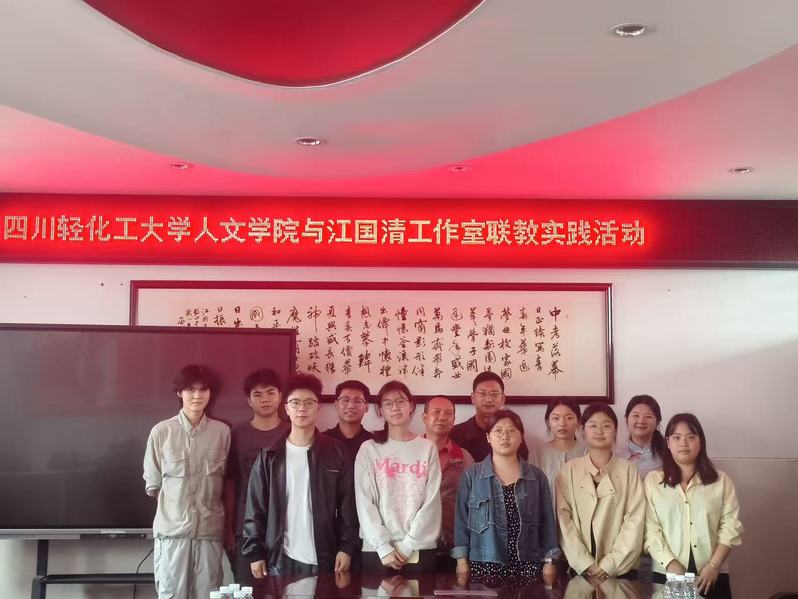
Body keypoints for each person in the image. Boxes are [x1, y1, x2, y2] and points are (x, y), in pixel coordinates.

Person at [241, 373, 359, 576]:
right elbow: (255, 508)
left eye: (308, 402)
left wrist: (347, 547)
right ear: (286, 408)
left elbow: (349, 505)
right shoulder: (269, 456)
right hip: (280, 557)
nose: (302, 408)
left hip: (325, 555)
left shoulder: (336, 452)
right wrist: (254, 552)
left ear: (318, 407)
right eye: (295, 403)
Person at [142, 364, 231, 599]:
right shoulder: (161, 432)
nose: (197, 395)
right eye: (190, 389)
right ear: (179, 392)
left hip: (209, 531)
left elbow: (228, 484)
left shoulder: (223, 433)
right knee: (172, 594)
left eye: (203, 389)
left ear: (211, 393)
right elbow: (154, 486)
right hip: (172, 534)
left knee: (209, 594)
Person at [452, 409, 559, 586]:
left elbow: (547, 521)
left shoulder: (536, 476)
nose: (505, 436)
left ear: (521, 436)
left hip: (528, 563)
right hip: (485, 563)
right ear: (488, 437)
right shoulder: (471, 475)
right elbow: (461, 522)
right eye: (498, 431)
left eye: (511, 431)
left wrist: (550, 561)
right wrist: (461, 562)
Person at [644, 413, 742, 599]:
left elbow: (731, 527)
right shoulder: (653, 481)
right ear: (668, 442)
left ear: (700, 441)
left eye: (690, 437)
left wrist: (713, 566)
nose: (683, 443)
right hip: (667, 573)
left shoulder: (721, 481)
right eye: (677, 437)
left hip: (711, 575)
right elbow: (649, 527)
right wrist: (670, 562)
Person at [354, 381, 442, 573]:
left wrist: (408, 545)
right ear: (380, 410)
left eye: (401, 401)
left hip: (419, 547)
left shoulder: (427, 448)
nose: (395, 407)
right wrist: (382, 546)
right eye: (388, 403)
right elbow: (364, 502)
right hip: (377, 550)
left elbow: (432, 502)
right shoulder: (369, 449)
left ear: (411, 406)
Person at [555, 403, 645, 582]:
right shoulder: (569, 470)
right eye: (593, 425)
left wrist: (610, 564)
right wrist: (584, 562)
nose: (599, 431)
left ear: (615, 431)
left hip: (621, 570)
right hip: (579, 569)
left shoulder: (628, 470)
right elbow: (564, 520)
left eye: (606, 426)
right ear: (582, 431)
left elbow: (635, 519)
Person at [223, 368, 290, 583]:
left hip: (286, 529)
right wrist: (229, 529)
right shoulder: (237, 434)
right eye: (258, 394)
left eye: (271, 393)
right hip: (245, 529)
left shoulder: (293, 432)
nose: (265, 399)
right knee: (247, 590)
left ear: (280, 396)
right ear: (249, 401)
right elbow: (230, 483)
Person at [421, 395, 474, 570]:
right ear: (424, 417)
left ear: (454, 420)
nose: (442, 417)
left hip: (453, 548)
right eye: (436, 412)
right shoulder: (409, 454)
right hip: (413, 546)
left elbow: (473, 504)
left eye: (448, 413)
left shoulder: (464, 457)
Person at [450, 371, 530, 462]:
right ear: (473, 398)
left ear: (503, 398)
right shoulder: (456, 434)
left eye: (494, 394)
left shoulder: (513, 433)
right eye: (482, 393)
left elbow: (521, 464)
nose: (488, 399)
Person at [533, 397, 585, 505]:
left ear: (578, 422)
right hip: (547, 514)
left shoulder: (587, 452)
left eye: (569, 418)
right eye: (556, 418)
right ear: (548, 422)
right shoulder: (537, 453)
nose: (562, 423)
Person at [323, 379, 373, 462]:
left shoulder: (373, 443)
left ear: (366, 407)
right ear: (336, 405)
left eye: (357, 401)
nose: (351, 406)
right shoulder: (322, 441)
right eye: (345, 400)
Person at [618, 395, 665, 477]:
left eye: (648, 416)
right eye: (636, 416)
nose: (641, 421)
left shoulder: (669, 455)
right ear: (626, 419)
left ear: (657, 422)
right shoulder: (616, 456)